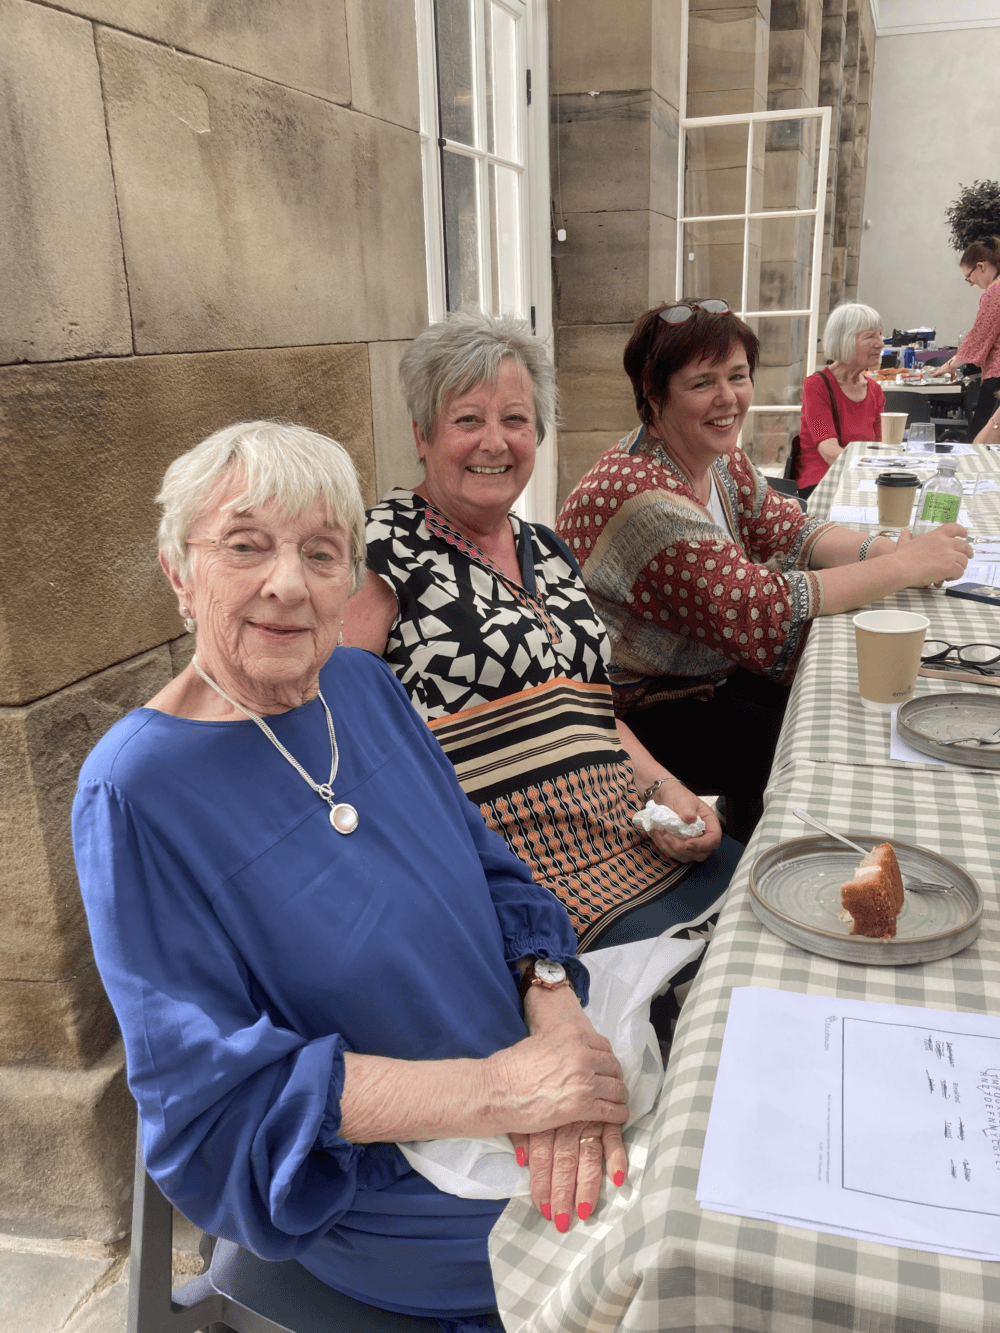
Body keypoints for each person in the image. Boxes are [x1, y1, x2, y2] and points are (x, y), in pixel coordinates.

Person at [72, 422, 635, 1332]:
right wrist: (503, 1092)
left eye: (321, 551)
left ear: (350, 582)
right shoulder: (135, 790)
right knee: (653, 1249)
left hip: (527, 1057)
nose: (287, 582)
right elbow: (214, 1105)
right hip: (381, 1176)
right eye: (245, 545)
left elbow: (494, 871)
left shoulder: (364, 687)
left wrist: (554, 1008)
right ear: (180, 572)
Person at [343, 311, 741, 962]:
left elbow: (594, 711)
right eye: (467, 419)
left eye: (516, 420)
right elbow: (337, 744)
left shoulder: (549, 550)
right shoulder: (378, 553)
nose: (494, 442)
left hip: (633, 831)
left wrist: (666, 787)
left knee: (766, 917)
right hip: (520, 879)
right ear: (422, 432)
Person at [556, 301, 973, 843]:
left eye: (738, 376)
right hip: (634, 712)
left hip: (700, 674)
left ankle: (750, 825)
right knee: (810, 731)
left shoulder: (717, 457)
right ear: (654, 397)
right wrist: (904, 566)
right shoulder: (644, 495)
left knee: (828, 698)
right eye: (702, 383)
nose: (729, 398)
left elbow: (793, 531)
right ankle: (760, 855)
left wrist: (892, 549)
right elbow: (763, 613)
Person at [795, 302, 886, 498]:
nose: (880, 343)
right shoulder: (816, 385)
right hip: (822, 483)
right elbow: (828, 450)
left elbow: (881, 447)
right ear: (844, 341)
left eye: (880, 334)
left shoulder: (875, 390)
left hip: (863, 478)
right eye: (870, 336)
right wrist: (871, 469)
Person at [929, 236, 1000, 441]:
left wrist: (951, 364)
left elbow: (980, 335)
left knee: (979, 443)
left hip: (997, 376)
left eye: (969, 277)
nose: (970, 284)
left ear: (981, 266)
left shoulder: (994, 291)